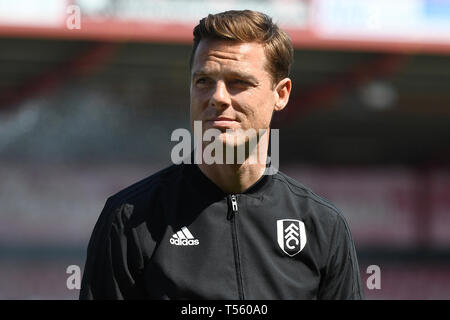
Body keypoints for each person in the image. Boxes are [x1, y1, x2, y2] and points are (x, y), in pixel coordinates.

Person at [80, 10, 364, 300]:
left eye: (238, 82)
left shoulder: (322, 225)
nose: (218, 97)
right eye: (203, 81)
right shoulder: (129, 219)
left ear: (281, 94)